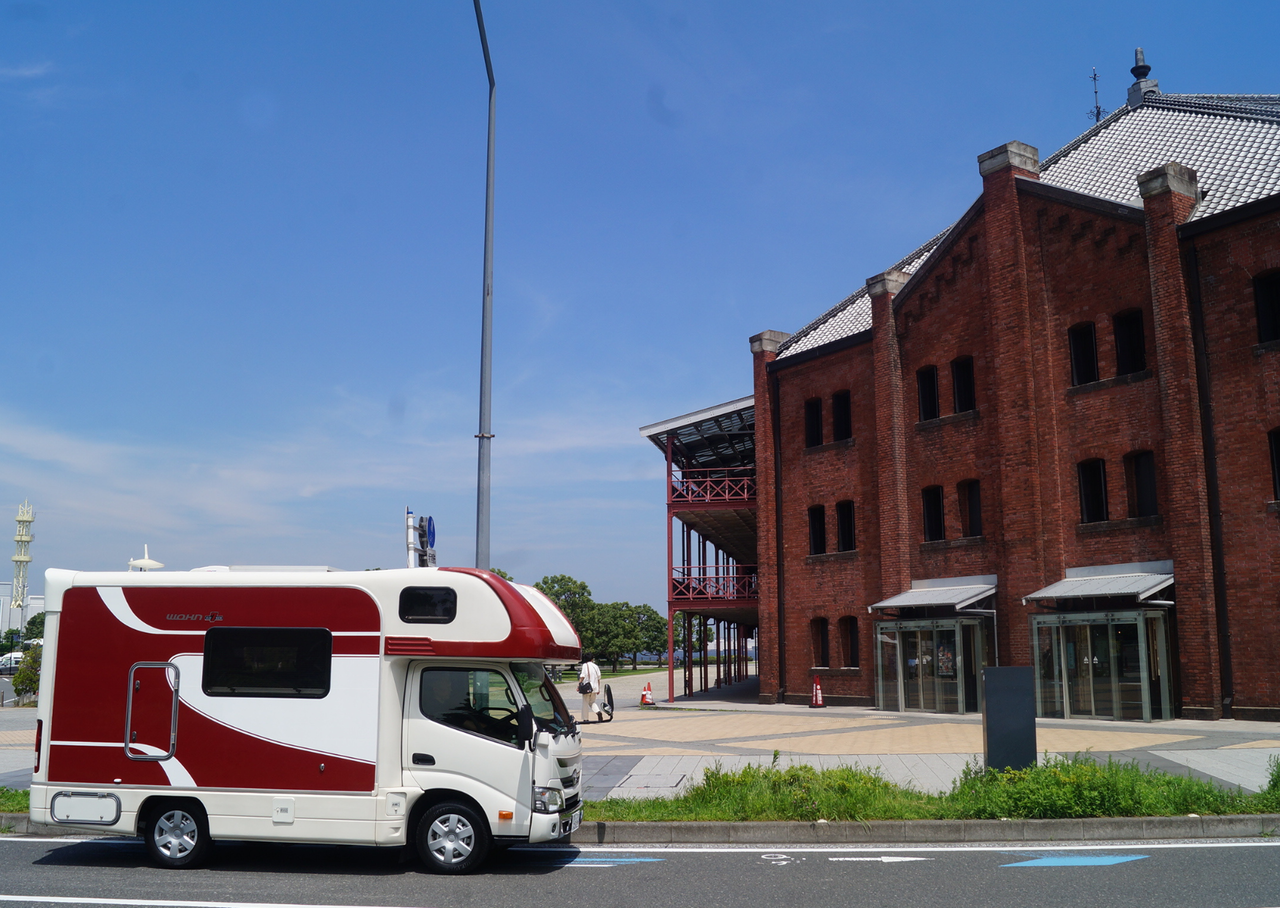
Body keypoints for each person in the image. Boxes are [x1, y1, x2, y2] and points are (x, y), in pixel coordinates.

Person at [578, 654, 602, 723]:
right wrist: (598, 688)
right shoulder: (596, 666)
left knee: (585, 703)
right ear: (592, 659)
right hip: (595, 687)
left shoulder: (585, 665)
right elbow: (599, 678)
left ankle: (585, 718)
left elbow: (582, 676)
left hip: (587, 687)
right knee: (592, 702)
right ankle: (598, 711)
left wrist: (579, 684)